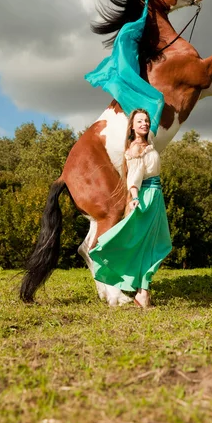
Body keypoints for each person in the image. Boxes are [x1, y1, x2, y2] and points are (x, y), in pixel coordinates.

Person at [89, 108, 172, 308]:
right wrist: (134, 198)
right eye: (140, 121)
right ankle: (142, 294)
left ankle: (143, 294)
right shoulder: (135, 149)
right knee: (152, 246)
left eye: (146, 121)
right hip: (147, 197)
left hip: (156, 196)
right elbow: (133, 179)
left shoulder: (148, 144)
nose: (144, 123)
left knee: (152, 246)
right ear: (132, 127)